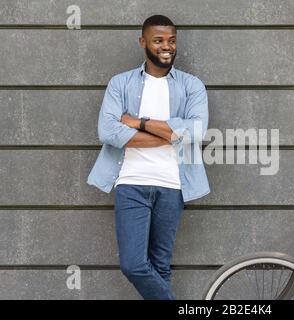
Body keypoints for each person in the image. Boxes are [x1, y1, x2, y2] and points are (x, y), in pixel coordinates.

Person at [87, 14, 210, 299]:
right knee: (133, 264)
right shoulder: (120, 84)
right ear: (143, 42)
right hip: (131, 184)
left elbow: (194, 132)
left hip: (173, 186)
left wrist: (137, 122)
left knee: (161, 266)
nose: (166, 46)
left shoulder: (192, 86)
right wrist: (168, 132)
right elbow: (108, 131)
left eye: (171, 40)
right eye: (158, 40)